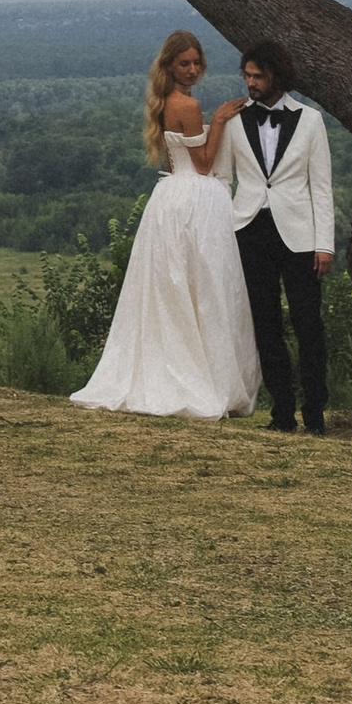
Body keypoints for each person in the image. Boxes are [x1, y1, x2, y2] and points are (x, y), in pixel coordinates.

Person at [68, 29, 259, 420]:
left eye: (195, 63)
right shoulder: (187, 106)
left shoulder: (163, 102)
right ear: (170, 66)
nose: (191, 70)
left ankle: (177, 362)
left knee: (171, 287)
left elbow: (174, 162)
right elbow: (203, 163)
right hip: (193, 198)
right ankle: (200, 373)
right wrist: (220, 119)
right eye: (183, 64)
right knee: (202, 287)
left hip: (170, 197)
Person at [215, 39, 335, 433]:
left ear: (276, 76)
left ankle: (315, 413)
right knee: (265, 325)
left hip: (300, 236)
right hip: (250, 230)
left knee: (308, 324)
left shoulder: (310, 120)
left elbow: (321, 187)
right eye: (247, 75)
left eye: (258, 76)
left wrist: (325, 244)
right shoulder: (234, 119)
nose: (251, 83)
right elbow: (221, 177)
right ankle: (281, 412)